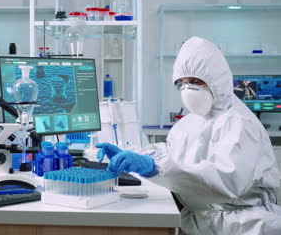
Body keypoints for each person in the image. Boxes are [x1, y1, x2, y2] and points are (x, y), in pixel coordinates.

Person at [96, 36, 281, 234]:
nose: (187, 89)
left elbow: (225, 181)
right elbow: (175, 155)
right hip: (202, 222)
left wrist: (154, 167)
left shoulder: (238, 123)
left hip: (241, 226)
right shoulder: (190, 122)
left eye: (195, 81)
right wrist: (133, 154)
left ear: (216, 80)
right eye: (181, 83)